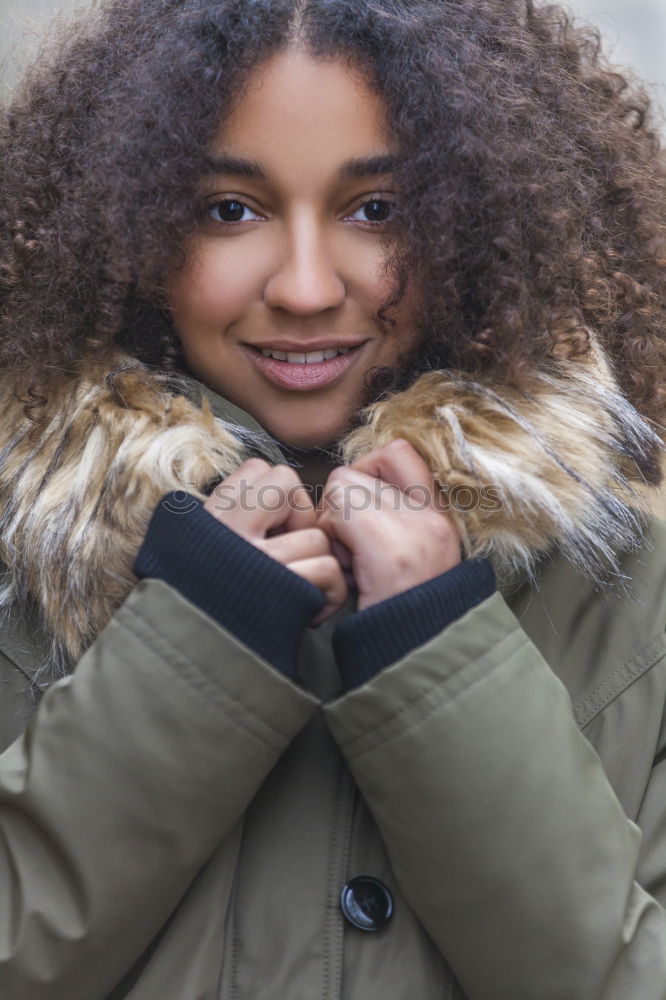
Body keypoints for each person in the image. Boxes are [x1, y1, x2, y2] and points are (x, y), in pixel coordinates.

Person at [1, 0, 666, 997]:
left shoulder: (630, 591)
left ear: (483, 222)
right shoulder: (20, 568)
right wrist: (191, 643)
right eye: (229, 207)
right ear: (123, 231)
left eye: (377, 209)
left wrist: (436, 650)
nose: (308, 287)